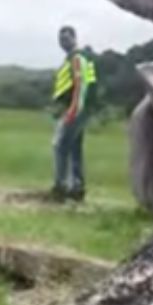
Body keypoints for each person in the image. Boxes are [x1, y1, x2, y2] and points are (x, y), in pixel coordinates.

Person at [50, 26, 98, 202]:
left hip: (76, 108)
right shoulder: (72, 58)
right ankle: (77, 188)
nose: (63, 42)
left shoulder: (77, 58)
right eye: (60, 39)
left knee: (60, 145)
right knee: (74, 148)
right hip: (77, 108)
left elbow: (80, 84)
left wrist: (73, 109)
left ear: (74, 38)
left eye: (66, 38)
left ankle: (61, 186)